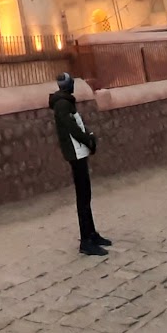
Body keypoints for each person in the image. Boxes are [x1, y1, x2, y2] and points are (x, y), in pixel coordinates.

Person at [49, 73, 110, 256]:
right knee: (83, 197)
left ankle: (91, 233)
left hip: (80, 150)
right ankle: (85, 240)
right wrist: (88, 140)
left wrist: (88, 138)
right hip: (75, 152)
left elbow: (78, 125)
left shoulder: (66, 102)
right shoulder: (62, 104)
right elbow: (73, 129)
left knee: (86, 195)